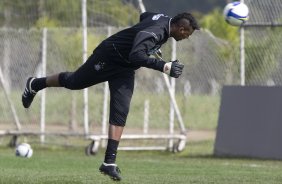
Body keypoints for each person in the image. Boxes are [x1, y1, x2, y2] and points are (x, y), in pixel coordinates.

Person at [22, 12, 199, 181]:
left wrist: (148, 44)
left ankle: (109, 162)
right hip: (108, 57)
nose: (187, 37)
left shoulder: (163, 20)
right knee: (74, 82)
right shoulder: (157, 31)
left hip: (125, 69)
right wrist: (164, 66)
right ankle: (35, 84)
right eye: (188, 34)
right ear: (181, 29)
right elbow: (136, 55)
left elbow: (145, 17)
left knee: (120, 110)